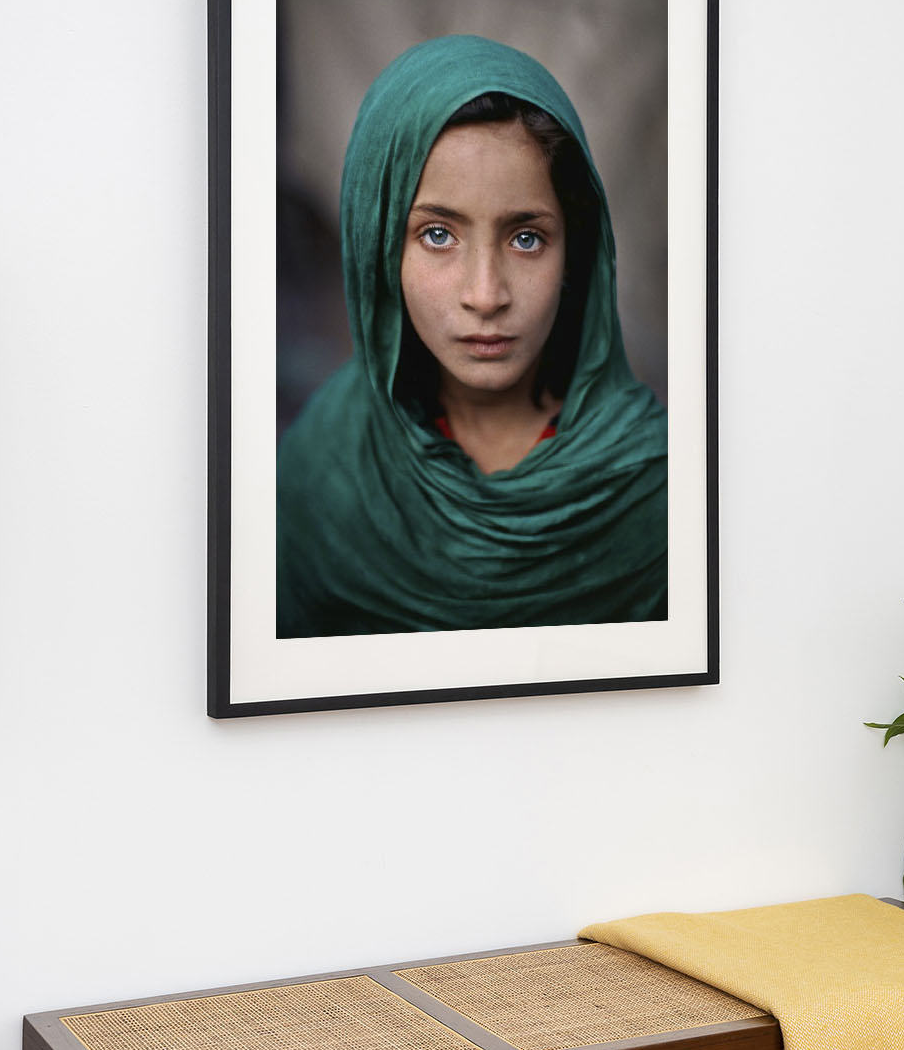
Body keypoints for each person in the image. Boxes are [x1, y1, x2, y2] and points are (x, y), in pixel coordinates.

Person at [276, 34, 667, 637]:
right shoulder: (317, 475)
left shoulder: (660, 490)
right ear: (378, 249)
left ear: (577, 256)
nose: (486, 295)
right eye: (437, 235)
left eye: (526, 238)